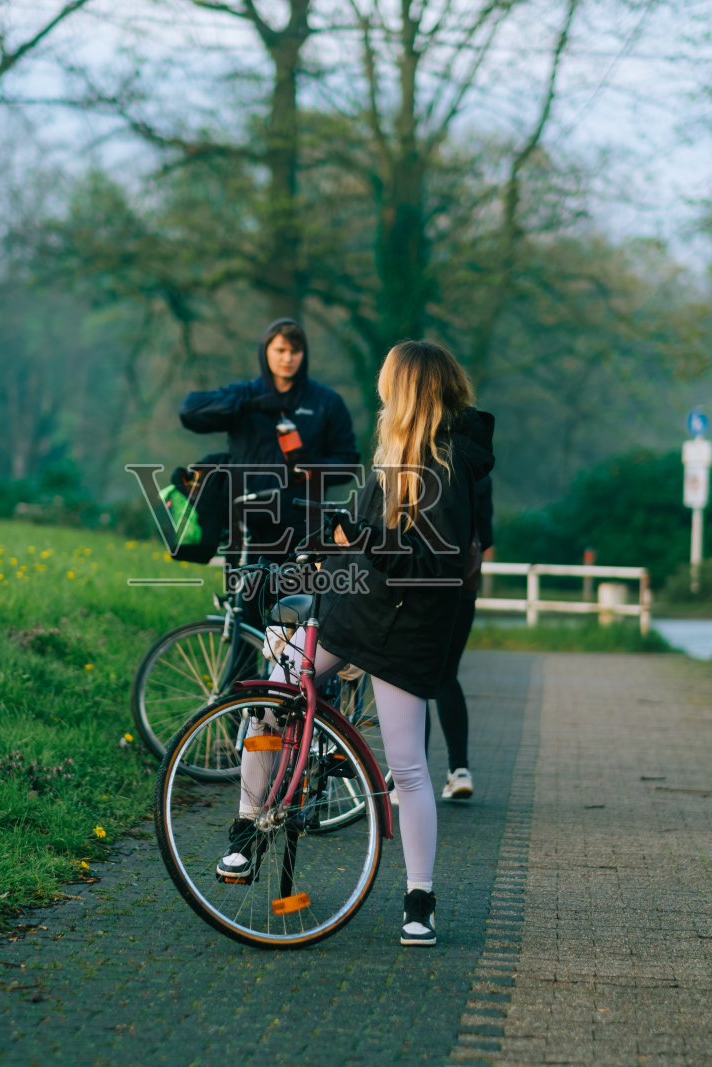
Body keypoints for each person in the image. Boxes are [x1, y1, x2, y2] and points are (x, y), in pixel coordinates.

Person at [218, 339, 496, 948]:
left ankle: (419, 899)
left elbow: (435, 565)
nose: (380, 390)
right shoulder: (393, 451)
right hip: (357, 609)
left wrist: (363, 538)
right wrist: (329, 542)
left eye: (387, 380)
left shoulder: (447, 467)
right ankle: (247, 828)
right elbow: (367, 534)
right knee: (274, 695)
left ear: (408, 389)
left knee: (408, 767)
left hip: (406, 630)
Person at [178, 319, 360, 570]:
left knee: (299, 594)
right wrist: (248, 406)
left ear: (304, 354)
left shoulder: (326, 402)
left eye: (295, 351)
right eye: (280, 350)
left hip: (302, 525)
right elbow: (189, 411)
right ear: (266, 351)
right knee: (245, 592)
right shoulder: (245, 393)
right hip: (245, 524)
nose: (288, 358)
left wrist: (313, 465)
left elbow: (348, 463)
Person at [432, 474, 493, 801]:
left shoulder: (424, 464)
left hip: (424, 587)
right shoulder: (478, 470)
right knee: (446, 676)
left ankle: (406, 777)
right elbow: (486, 535)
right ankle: (459, 770)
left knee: (411, 680)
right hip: (464, 587)